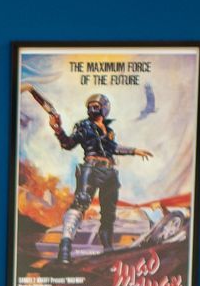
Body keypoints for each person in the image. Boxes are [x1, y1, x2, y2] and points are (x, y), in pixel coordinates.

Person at [28, 88, 153, 260]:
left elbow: (113, 148)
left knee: (109, 213)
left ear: (104, 108)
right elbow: (68, 143)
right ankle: (65, 248)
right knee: (81, 203)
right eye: (90, 106)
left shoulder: (108, 131)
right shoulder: (83, 126)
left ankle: (107, 250)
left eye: (96, 106)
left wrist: (134, 150)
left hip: (109, 172)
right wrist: (57, 129)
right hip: (91, 168)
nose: (92, 109)